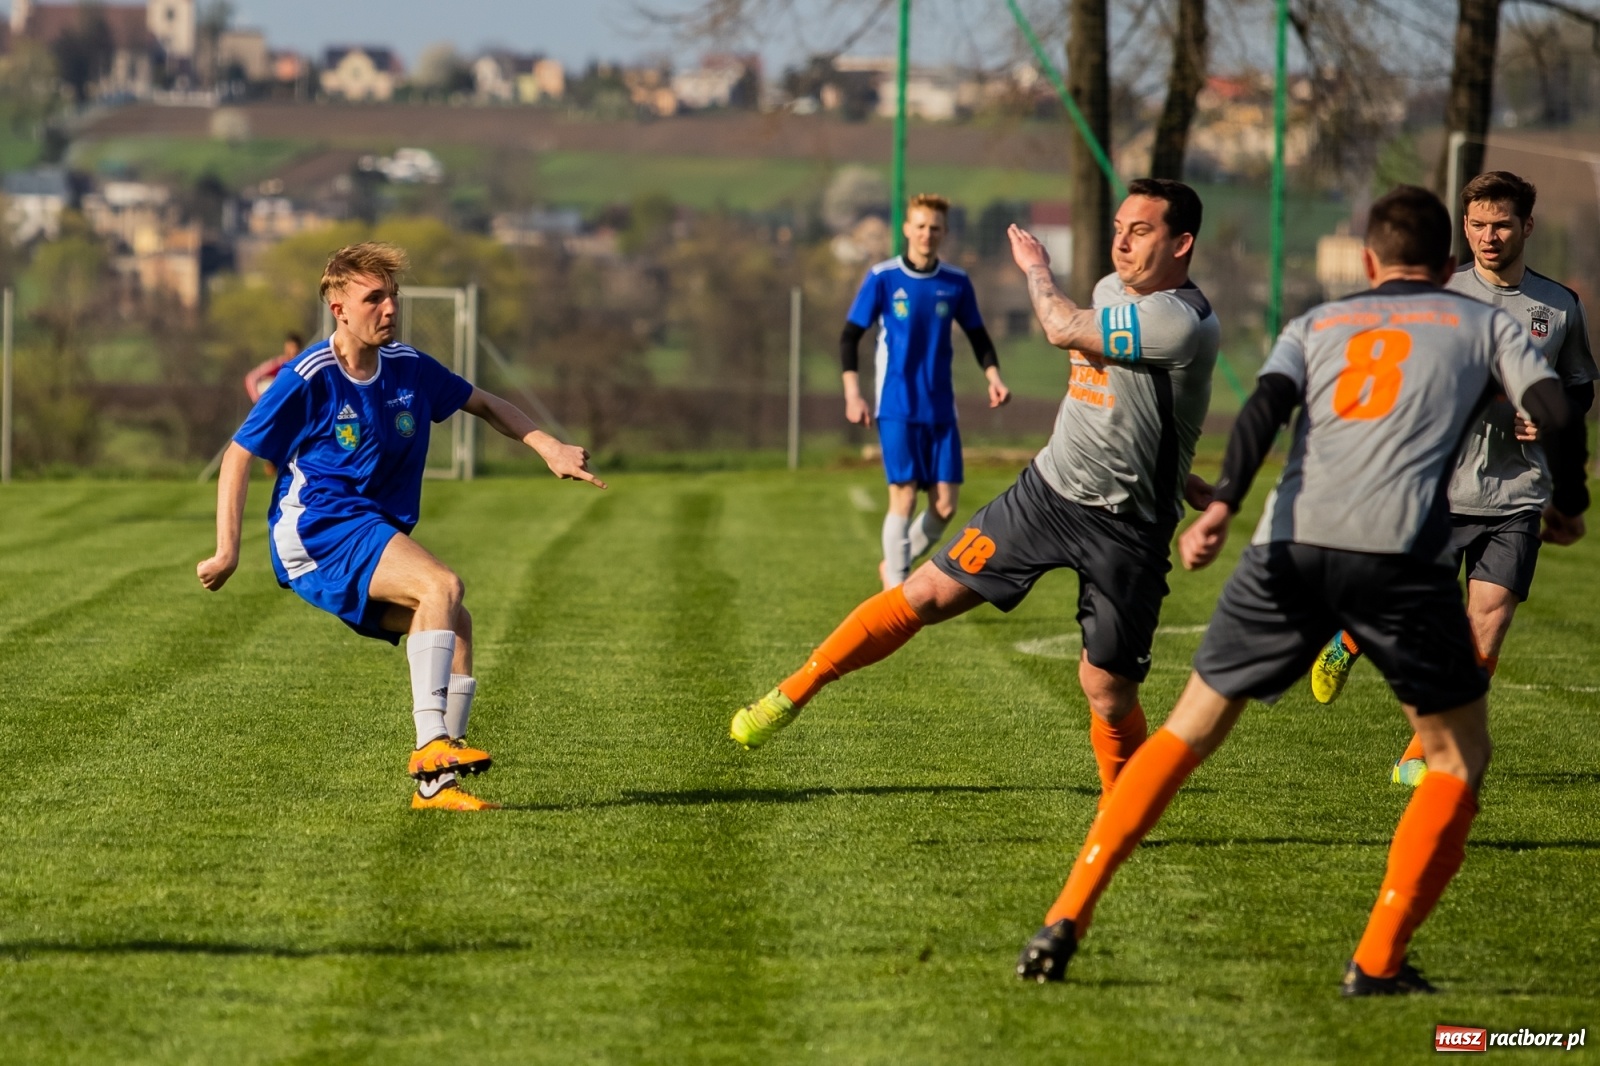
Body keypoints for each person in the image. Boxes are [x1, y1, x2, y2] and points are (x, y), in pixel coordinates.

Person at [1015, 186, 1570, 996]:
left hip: (1286, 543)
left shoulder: (1318, 324)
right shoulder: (1484, 320)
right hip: (1396, 553)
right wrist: (1573, 501)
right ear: (1448, 265)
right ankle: (1376, 962)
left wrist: (1223, 508)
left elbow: (1263, 413)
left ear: (1370, 262)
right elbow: (1554, 405)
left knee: (1189, 729)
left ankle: (1064, 917)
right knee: (1460, 756)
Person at [731, 179, 1219, 816]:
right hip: (1045, 494)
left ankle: (1121, 809)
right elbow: (1126, 407)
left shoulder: (1179, 322)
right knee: (924, 592)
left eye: (1142, 230)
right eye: (1120, 227)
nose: (1121, 242)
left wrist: (1037, 269)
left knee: (1106, 690)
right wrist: (1182, 472)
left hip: (1127, 528)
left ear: (1182, 244)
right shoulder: (1109, 291)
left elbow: (1059, 327)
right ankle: (791, 693)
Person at [196, 242, 604, 811]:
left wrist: (547, 445)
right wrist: (227, 551)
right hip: (319, 528)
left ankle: (438, 783)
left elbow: (485, 404)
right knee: (442, 585)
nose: (389, 309)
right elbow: (240, 454)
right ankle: (432, 744)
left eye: (393, 296)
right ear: (339, 309)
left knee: (454, 622)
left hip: (366, 528)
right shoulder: (309, 375)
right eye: (374, 298)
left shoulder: (409, 368)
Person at [1309, 171, 1597, 788]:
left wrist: (1551, 422)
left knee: (1485, 623)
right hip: (1433, 489)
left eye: (1500, 224)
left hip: (1517, 493)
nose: (1487, 236)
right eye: (1476, 224)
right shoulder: (1438, 293)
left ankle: (1418, 757)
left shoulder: (1559, 307)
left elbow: (1578, 390)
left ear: (1526, 226)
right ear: (1462, 226)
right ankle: (1350, 638)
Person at [840, 193, 1011, 590]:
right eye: (920, 226)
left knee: (946, 506)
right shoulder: (883, 278)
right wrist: (853, 393)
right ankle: (896, 592)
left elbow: (977, 334)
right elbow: (850, 337)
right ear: (906, 229)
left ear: (944, 232)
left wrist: (994, 375)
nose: (927, 234)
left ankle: (894, 564)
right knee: (903, 498)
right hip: (897, 404)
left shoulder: (956, 282)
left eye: (935, 228)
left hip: (940, 408)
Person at [244, 332, 308, 479]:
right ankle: (274, 463)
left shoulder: (305, 365)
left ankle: (287, 465)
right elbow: (251, 378)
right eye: (289, 348)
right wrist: (260, 401)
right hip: (280, 411)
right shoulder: (278, 365)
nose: (292, 352)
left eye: (295, 348)